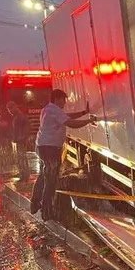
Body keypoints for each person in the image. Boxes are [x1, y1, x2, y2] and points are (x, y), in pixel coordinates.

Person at [30, 89, 95, 219]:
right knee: (51, 180)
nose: (64, 103)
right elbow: (71, 123)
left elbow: (68, 116)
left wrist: (83, 113)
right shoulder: (53, 111)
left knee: (44, 175)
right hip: (50, 149)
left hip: (43, 147)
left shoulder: (48, 109)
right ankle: (46, 211)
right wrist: (89, 120)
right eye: (63, 100)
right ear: (57, 99)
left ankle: (35, 203)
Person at [7, 101, 31, 182]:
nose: (10, 111)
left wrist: (22, 137)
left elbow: (26, 128)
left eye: (10, 109)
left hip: (21, 140)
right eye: (8, 110)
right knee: (20, 157)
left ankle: (24, 174)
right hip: (19, 140)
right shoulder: (17, 116)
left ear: (14, 107)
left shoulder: (19, 116)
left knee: (21, 157)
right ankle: (23, 173)